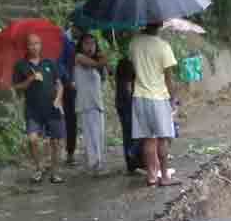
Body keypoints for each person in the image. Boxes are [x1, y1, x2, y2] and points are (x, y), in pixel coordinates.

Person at [129, 22, 180, 187]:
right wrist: (173, 99)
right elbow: (169, 78)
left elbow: (133, 68)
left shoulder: (134, 43)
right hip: (158, 98)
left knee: (148, 139)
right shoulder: (163, 46)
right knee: (163, 138)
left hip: (139, 96)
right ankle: (164, 177)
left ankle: (151, 177)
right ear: (160, 25)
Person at [13, 34, 65, 184]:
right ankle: (38, 168)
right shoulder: (21, 66)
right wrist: (30, 79)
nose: (34, 47)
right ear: (26, 47)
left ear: (41, 45)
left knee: (56, 142)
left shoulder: (49, 62)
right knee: (32, 140)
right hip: (33, 110)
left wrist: (58, 99)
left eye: (37, 43)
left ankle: (55, 173)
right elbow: (17, 87)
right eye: (31, 44)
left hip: (52, 108)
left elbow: (59, 84)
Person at [74, 33, 109, 177]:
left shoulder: (96, 64)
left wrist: (104, 63)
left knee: (99, 135)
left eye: (93, 44)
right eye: (87, 43)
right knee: (91, 135)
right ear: (81, 45)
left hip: (97, 103)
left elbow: (106, 73)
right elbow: (96, 63)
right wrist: (104, 59)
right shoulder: (79, 57)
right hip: (86, 103)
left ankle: (98, 164)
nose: (90, 46)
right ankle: (94, 165)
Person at [114, 43, 143, 173]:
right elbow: (128, 87)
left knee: (127, 133)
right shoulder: (129, 65)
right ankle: (133, 156)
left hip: (120, 102)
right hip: (128, 103)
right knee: (136, 132)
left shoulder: (122, 63)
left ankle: (130, 164)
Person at [58, 25, 83, 166]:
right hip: (62, 84)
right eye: (80, 29)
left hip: (75, 85)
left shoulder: (79, 41)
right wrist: (67, 80)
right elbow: (59, 62)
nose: (82, 32)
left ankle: (70, 152)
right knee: (61, 117)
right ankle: (58, 152)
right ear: (74, 26)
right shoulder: (62, 40)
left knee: (72, 118)